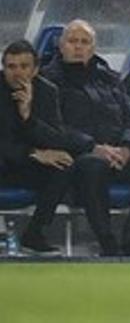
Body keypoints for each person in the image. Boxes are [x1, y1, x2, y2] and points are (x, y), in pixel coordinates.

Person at [41, 20, 130, 257]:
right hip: (81, 158)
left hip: (119, 155)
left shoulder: (110, 78)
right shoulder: (48, 81)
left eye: (85, 42)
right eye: (72, 41)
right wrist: (93, 147)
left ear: (93, 48)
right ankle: (107, 241)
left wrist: (127, 148)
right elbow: (53, 128)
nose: (78, 47)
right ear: (61, 46)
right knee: (92, 164)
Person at [0, 40, 76, 254]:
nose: (17, 73)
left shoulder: (47, 91)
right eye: (11, 67)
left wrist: (28, 117)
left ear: (35, 69)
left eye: (24, 67)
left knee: (64, 165)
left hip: (25, 166)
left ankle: (34, 233)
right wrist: (33, 153)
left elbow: (57, 140)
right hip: (7, 161)